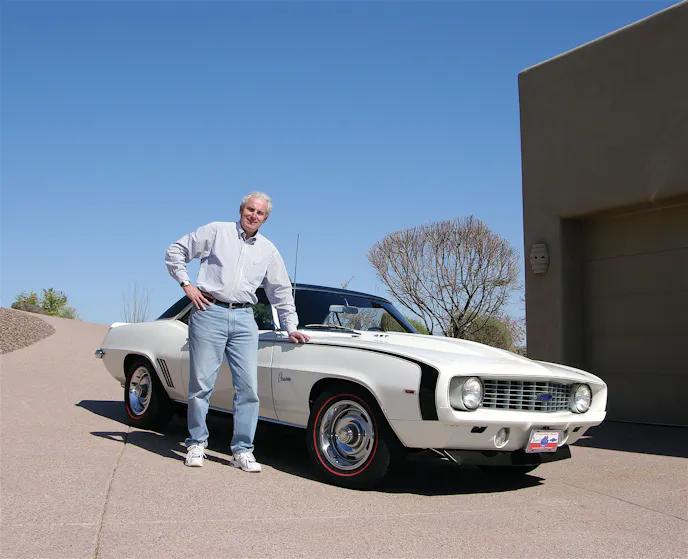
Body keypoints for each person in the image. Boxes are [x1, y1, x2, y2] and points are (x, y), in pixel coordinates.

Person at [165, 191, 310, 473]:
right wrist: (186, 285)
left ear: (265, 219)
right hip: (209, 311)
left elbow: (280, 290)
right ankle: (196, 443)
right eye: (250, 209)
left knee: (248, 389)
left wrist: (291, 327)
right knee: (201, 384)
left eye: (259, 213)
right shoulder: (216, 232)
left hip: (245, 318)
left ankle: (242, 450)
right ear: (241, 209)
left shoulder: (268, 250)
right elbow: (175, 251)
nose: (253, 216)